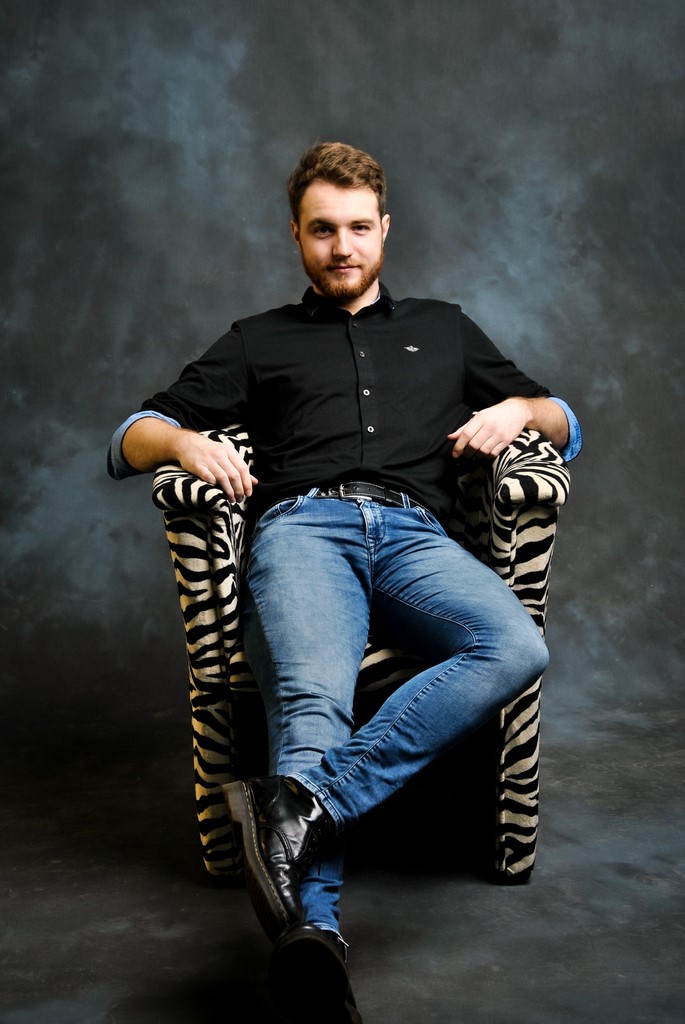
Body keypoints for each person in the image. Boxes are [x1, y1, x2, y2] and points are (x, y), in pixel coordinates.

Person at [109, 141, 582, 1023]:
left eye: (358, 228)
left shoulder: (445, 327)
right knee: (311, 701)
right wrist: (182, 442)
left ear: (384, 229)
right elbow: (130, 434)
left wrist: (519, 409)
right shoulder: (258, 340)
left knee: (514, 643)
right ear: (295, 235)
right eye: (322, 230)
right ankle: (312, 943)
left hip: (414, 538)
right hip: (303, 533)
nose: (341, 247)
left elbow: (562, 419)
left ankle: (301, 804)